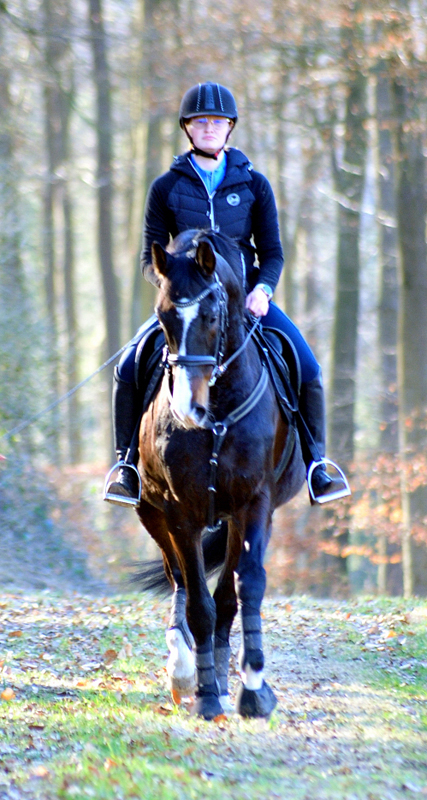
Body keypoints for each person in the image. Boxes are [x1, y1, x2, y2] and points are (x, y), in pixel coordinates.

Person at [104, 81, 349, 507]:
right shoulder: (165, 187)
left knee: (307, 368)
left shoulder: (255, 185)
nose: (210, 128)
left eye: (217, 121)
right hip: (186, 306)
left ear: (230, 127)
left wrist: (263, 290)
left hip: (246, 304)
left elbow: (272, 253)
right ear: (188, 129)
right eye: (201, 122)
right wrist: (173, 288)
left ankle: (317, 467)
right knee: (127, 366)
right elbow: (150, 256)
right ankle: (125, 466)